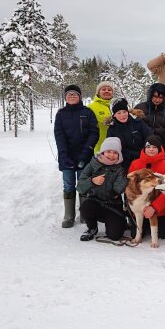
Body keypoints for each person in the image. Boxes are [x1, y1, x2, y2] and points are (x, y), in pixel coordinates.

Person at [54, 85, 99, 228]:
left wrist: (86, 153)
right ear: (65, 97)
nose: (72, 96)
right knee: (68, 184)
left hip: (84, 156)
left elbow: (94, 133)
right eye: (69, 94)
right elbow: (59, 136)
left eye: (75, 94)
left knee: (83, 184)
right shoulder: (61, 114)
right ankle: (69, 215)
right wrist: (64, 155)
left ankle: (85, 214)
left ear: (79, 96)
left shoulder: (87, 112)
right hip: (66, 156)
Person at [77, 137, 129, 244]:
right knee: (85, 206)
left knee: (114, 235)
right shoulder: (92, 164)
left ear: (119, 155)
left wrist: (125, 179)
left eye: (115, 152)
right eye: (108, 151)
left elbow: (118, 189)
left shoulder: (120, 169)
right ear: (103, 152)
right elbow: (80, 187)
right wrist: (92, 181)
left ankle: (119, 222)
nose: (111, 155)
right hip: (96, 203)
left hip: (113, 206)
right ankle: (92, 228)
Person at [127, 135, 165, 241]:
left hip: (160, 209)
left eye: (154, 147)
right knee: (135, 233)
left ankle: (153, 223)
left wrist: (154, 207)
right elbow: (130, 186)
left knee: (163, 234)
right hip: (139, 207)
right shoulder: (135, 164)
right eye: (148, 147)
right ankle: (143, 225)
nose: (151, 150)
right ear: (144, 148)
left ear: (159, 149)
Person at [105, 98, 152, 170]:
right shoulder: (112, 129)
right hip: (123, 163)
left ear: (128, 112)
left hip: (141, 159)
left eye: (124, 112)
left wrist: (144, 154)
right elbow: (111, 148)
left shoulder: (138, 123)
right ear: (114, 115)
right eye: (119, 113)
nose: (122, 115)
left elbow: (150, 138)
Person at [88, 81, 114, 153]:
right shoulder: (91, 107)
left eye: (109, 90)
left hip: (110, 148)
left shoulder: (112, 106)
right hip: (97, 149)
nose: (107, 91)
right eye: (103, 89)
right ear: (98, 92)